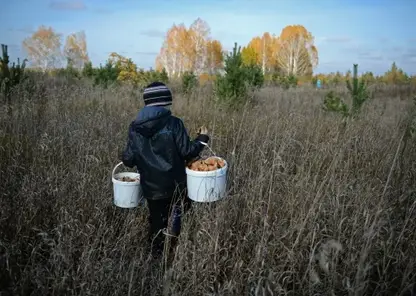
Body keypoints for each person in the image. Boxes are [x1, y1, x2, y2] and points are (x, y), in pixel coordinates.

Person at [120, 81, 209, 257]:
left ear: (146, 102)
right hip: (175, 184)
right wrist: (203, 138)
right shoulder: (174, 123)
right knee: (179, 212)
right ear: (165, 101)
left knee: (156, 221)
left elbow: (129, 160)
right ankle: (175, 245)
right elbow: (188, 151)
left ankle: (157, 254)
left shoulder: (134, 127)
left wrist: (123, 156)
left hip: (151, 188)